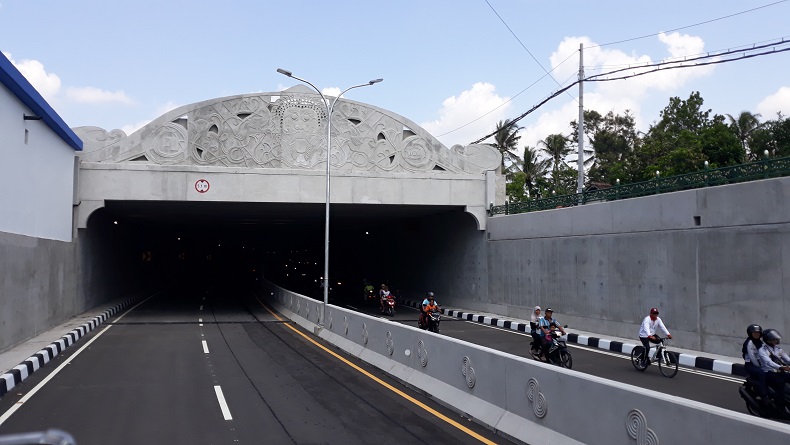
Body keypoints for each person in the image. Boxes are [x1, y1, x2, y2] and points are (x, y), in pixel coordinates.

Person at [757, 328, 790, 417]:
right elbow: (768, 362)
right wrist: (781, 367)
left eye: (776, 339)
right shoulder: (762, 350)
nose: (776, 341)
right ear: (768, 340)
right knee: (781, 385)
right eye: (774, 339)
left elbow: (787, 359)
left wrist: (787, 365)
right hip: (769, 373)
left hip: (780, 371)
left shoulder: (778, 349)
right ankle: (781, 410)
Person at [742, 324, 768, 403]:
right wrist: (761, 367)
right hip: (751, 365)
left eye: (758, 333)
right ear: (750, 333)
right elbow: (752, 357)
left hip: (760, 364)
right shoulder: (749, 343)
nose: (757, 334)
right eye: (754, 333)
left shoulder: (760, 343)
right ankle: (764, 396)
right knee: (762, 373)